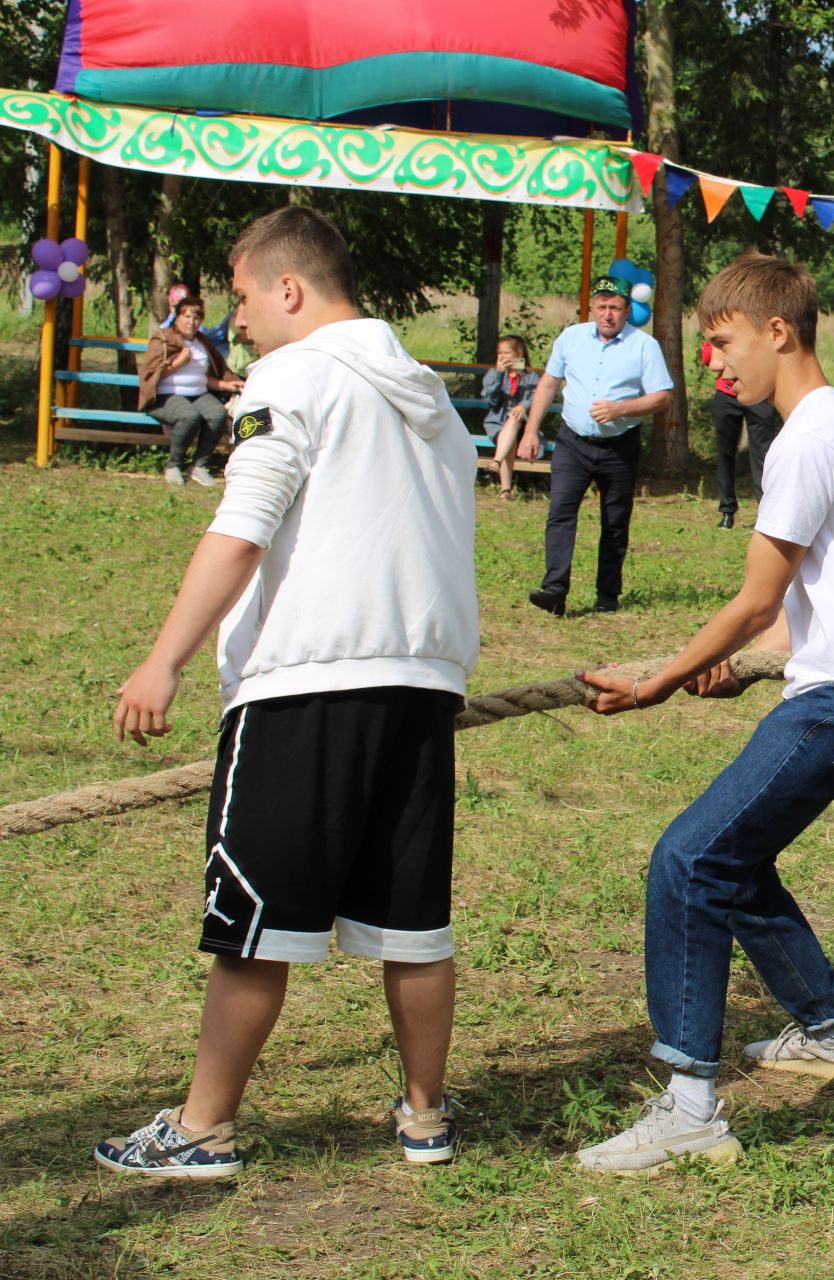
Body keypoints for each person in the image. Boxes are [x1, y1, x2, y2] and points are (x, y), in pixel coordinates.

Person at [94, 206, 480, 1178]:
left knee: (257, 923)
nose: (242, 323)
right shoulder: (428, 394)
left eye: (244, 298)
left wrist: (165, 658)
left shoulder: (292, 376)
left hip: (307, 680)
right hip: (421, 686)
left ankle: (203, 1125)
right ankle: (426, 1117)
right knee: (411, 922)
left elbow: (246, 520)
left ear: (290, 288)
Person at [571, 253, 834, 1175]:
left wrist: (656, 684)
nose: (715, 368)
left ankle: (689, 1102)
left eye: (723, 342)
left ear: (779, 331)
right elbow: (822, 604)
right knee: (731, 860)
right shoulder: (826, 425)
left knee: (689, 859)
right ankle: (832, 1030)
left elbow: (753, 601)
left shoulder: (810, 437)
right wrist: (757, 666)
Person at [524, 278, 673, 615]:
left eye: (615, 308)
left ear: (626, 311)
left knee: (615, 520)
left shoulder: (643, 346)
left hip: (619, 446)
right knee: (560, 512)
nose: (608, 314)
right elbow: (549, 383)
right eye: (602, 306)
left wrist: (621, 409)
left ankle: (607, 596)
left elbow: (663, 396)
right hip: (572, 441)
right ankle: (554, 591)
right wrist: (531, 430)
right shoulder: (571, 338)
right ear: (592, 307)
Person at [140, 295, 245, 488]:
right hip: (165, 395)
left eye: (196, 318)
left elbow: (204, 378)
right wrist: (176, 364)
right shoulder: (164, 338)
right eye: (187, 316)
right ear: (177, 317)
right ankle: (174, 465)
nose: (191, 322)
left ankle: (199, 466)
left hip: (198, 393)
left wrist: (225, 385)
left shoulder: (202, 343)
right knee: (189, 416)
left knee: (217, 414)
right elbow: (150, 374)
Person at [703, 338, 781, 529]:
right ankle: (727, 511)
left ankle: (767, 511)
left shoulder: (763, 323)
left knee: (763, 454)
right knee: (725, 452)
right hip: (727, 393)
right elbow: (710, 360)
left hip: (760, 393)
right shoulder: (723, 327)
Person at [483, 335, 542, 498]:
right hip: (498, 422)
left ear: (519, 353)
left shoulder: (531, 377)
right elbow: (491, 400)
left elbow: (537, 397)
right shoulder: (493, 374)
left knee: (515, 418)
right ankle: (505, 490)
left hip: (525, 426)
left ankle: (497, 463)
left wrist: (524, 406)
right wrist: (499, 375)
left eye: (507, 353)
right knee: (509, 432)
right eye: (499, 353)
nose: (502, 357)